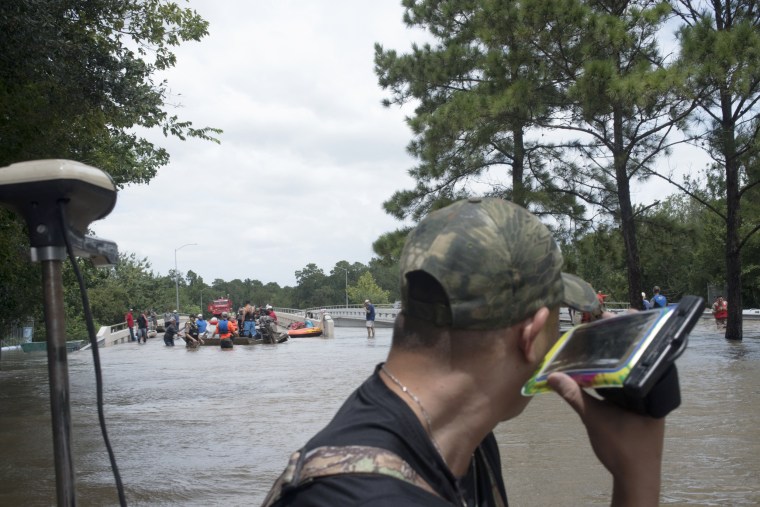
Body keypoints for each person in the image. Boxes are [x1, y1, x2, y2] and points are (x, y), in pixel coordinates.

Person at [262, 197, 664, 507]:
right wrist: (640, 476)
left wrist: (632, 472)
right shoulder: (369, 497)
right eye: (559, 324)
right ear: (532, 334)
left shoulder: (463, 443)